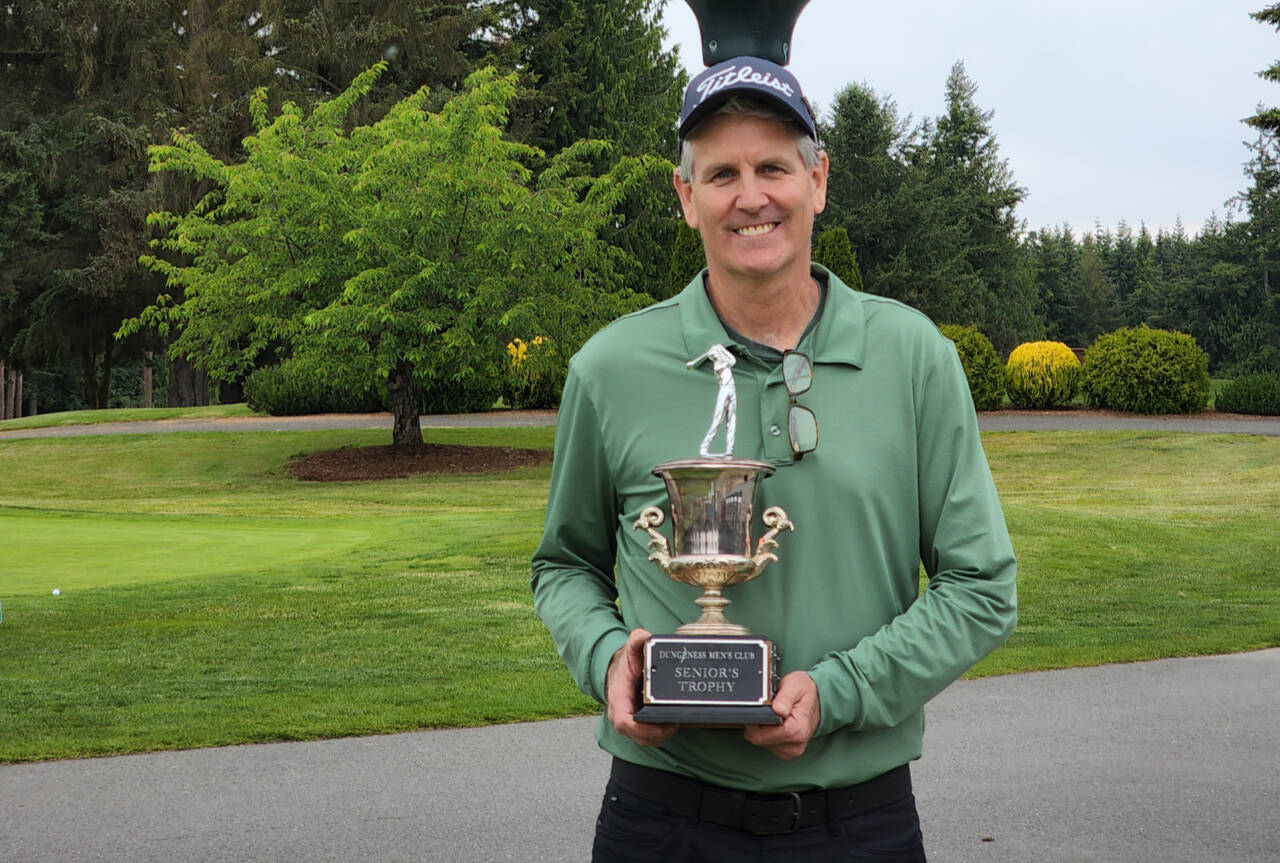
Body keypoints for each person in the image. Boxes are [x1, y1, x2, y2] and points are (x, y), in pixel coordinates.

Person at [530, 55, 1017, 862]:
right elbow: (564, 565)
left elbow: (980, 586)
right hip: (660, 816)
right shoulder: (610, 368)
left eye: (773, 167)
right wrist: (608, 656)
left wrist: (838, 693)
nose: (750, 196)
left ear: (817, 180)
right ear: (686, 198)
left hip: (858, 822)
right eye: (721, 172)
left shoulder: (913, 357)